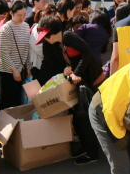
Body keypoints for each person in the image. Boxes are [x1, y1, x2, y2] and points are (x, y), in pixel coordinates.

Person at [36, 16, 105, 165]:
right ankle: (86, 148)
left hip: (93, 82)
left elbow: (87, 53)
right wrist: (69, 70)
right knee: (79, 117)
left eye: (46, 37)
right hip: (82, 83)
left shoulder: (68, 36)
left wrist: (77, 73)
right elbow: (75, 60)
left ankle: (92, 153)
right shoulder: (60, 44)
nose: (45, 41)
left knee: (87, 118)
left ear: (52, 33)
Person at [0, 0, 31, 111]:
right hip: (7, 73)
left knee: (18, 103)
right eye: (19, 15)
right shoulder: (6, 29)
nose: (22, 18)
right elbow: (3, 53)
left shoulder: (26, 26)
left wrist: (28, 66)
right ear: (11, 13)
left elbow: (27, 49)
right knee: (7, 104)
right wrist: (14, 70)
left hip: (21, 70)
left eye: (24, 15)